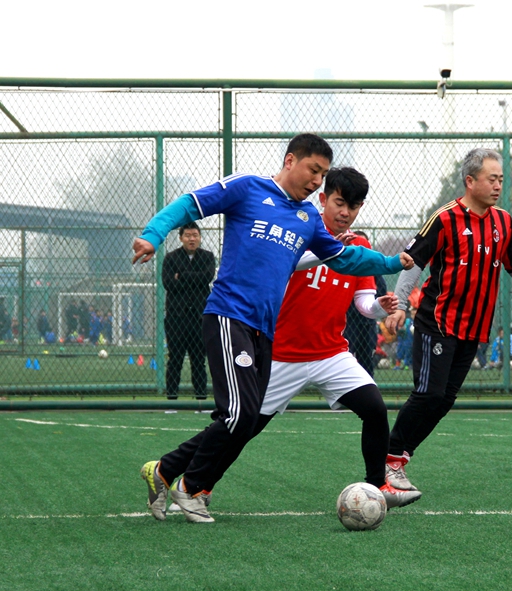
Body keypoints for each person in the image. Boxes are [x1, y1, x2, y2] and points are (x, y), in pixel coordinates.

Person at [134, 134, 413, 523]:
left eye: (322, 174)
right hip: (230, 316)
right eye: (313, 170)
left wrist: (391, 263)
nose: (316, 180)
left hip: (267, 333)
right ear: (290, 160)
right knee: (238, 415)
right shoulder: (248, 187)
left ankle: (165, 470)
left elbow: (343, 258)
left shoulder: (307, 218)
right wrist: (153, 234)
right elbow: (189, 204)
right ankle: (192, 488)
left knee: (245, 419)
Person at [211, 167, 420, 510]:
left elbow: (363, 303)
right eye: (339, 203)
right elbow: (285, 265)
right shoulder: (300, 228)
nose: (345, 212)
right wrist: (328, 252)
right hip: (283, 354)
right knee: (243, 426)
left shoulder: (360, 246)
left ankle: (377, 485)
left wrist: (379, 308)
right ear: (323, 199)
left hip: (330, 354)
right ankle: (198, 484)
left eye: (353, 206)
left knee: (374, 409)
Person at [383, 148, 512, 493]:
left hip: (473, 329)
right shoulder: (444, 218)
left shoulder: (503, 222)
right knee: (428, 394)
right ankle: (390, 458)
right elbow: (413, 261)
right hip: (437, 323)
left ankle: (399, 458)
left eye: (501, 179)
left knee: (444, 400)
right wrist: (400, 305)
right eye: (491, 179)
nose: (498, 186)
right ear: (470, 181)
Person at [162, 222, 217, 400]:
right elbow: (168, 283)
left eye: (195, 235)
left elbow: (206, 277)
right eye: (188, 235)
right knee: (175, 359)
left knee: (199, 360)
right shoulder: (171, 258)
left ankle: (201, 399)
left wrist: (182, 276)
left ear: (200, 237)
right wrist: (193, 279)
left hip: (200, 318)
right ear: (181, 238)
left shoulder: (207, 257)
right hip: (176, 317)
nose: (191, 239)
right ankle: (171, 399)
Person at [344, 230, 387, 376]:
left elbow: (381, 291)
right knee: (345, 358)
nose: (360, 248)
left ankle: (367, 384)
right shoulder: (344, 266)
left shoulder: (372, 268)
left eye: (364, 245)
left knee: (366, 361)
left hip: (367, 323)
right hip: (348, 321)